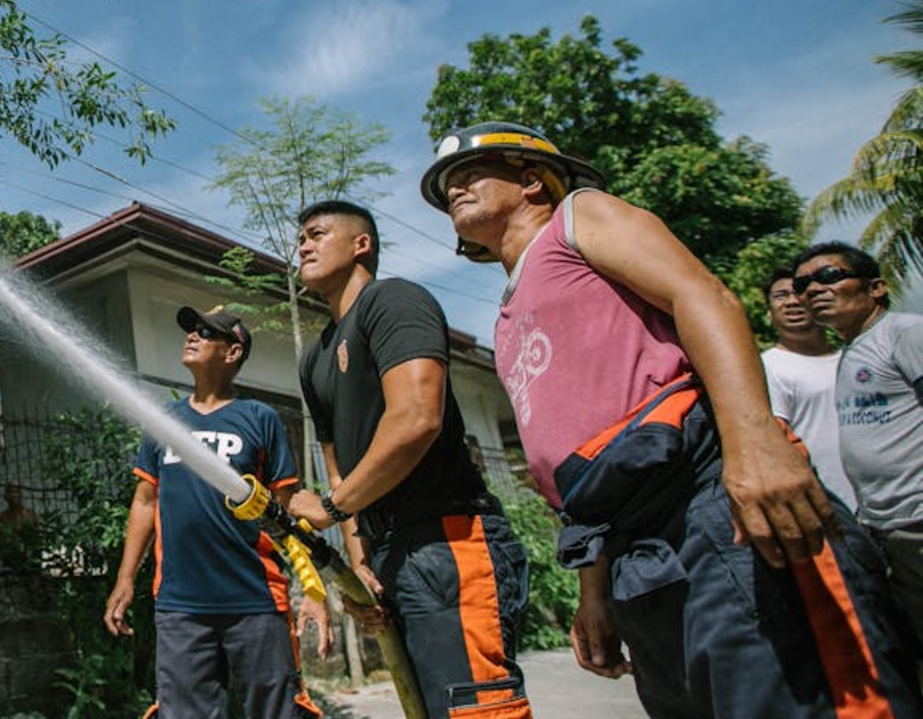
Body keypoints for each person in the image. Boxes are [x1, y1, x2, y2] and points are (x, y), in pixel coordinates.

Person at [421, 121, 921, 719]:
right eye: (448, 183)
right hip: (631, 545)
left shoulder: (581, 217)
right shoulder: (506, 318)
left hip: (708, 505)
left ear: (532, 180)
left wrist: (755, 440)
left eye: (470, 173)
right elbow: (575, 464)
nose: (455, 188)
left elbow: (701, 295)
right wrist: (593, 589)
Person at [284, 200, 532, 719]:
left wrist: (332, 506)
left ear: (361, 245)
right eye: (300, 238)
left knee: (475, 710)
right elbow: (338, 468)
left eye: (316, 233)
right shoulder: (316, 357)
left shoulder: (394, 301)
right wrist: (361, 566)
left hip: (448, 540)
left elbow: (418, 417)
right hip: (391, 553)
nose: (302, 245)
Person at [103, 305, 323, 719]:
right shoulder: (164, 420)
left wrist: (314, 591)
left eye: (207, 332)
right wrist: (125, 577)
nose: (192, 336)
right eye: (192, 330)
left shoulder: (260, 418)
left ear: (233, 352)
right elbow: (145, 500)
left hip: (255, 598)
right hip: (180, 602)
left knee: (277, 712)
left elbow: (288, 508)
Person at [794, 241, 923, 630]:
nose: (814, 290)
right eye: (803, 286)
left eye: (829, 276)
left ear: (876, 288)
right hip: (886, 527)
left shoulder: (905, 333)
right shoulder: (851, 351)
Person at [761, 267, 854, 510]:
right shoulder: (764, 368)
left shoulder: (855, 358)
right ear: (769, 313)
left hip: (890, 506)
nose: (792, 301)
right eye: (780, 296)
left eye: (798, 293)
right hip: (826, 508)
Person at [0, 482, 41, 571]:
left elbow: (36, 538)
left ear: (20, 495)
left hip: (28, 557)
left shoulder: (29, 514)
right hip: (9, 557)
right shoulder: (2, 517)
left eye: (16, 492)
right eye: (10, 492)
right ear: (5, 497)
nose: (14, 495)